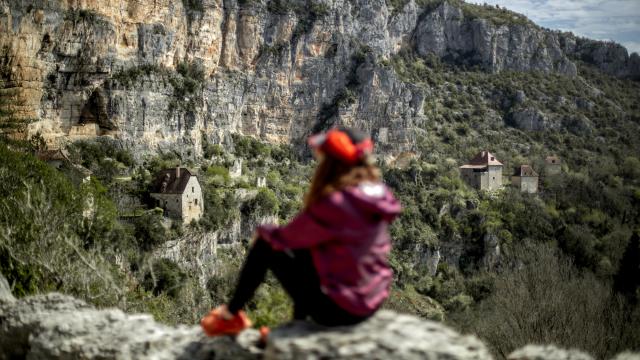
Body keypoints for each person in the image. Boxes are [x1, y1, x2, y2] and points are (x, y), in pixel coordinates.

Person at [200, 127, 402, 336]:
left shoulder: (336, 204)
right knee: (310, 253)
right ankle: (297, 326)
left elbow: (286, 239)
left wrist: (265, 230)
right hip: (371, 301)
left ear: (331, 162)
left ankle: (230, 316)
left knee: (265, 244)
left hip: (339, 311)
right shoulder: (378, 193)